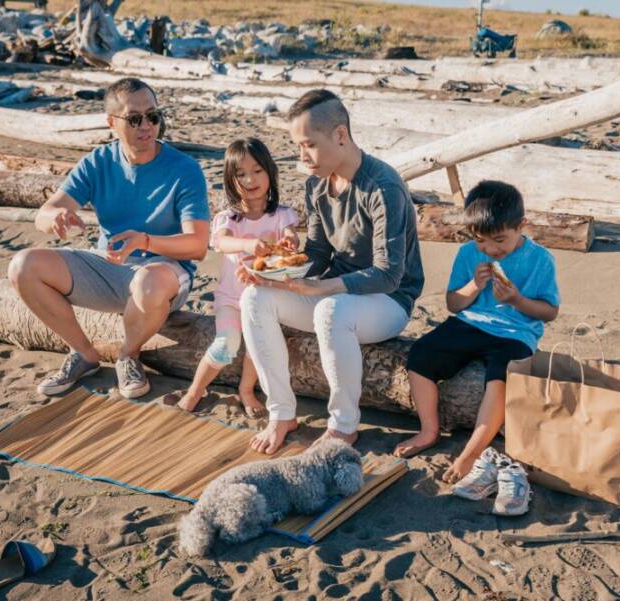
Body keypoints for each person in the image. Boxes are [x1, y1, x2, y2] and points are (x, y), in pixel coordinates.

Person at [238, 89, 424, 455]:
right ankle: (282, 413)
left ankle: (343, 425)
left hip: (389, 301)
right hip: (338, 297)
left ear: (340, 135)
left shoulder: (384, 187)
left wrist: (321, 288)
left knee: (329, 308)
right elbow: (319, 253)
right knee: (254, 297)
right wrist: (279, 274)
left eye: (309, 145)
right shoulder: (317, 185)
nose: (302, 156)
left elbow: (389, 274)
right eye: (297, 146)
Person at [8, 77, 210, 399]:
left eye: (153, 116)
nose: (146, 126)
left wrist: (144, 241)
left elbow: (197, 246)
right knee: (23, 266)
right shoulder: (98, 162)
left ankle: (128, 355)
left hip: (164, 274)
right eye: (134, 119)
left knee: (148, 283)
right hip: (109, 266)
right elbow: (44, 213)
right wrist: (54, 217)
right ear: (111, 123)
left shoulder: (185, 169)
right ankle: (83, 353)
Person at [396, 180, 560, 486]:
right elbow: (453, 305)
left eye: (499, 240)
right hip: (471, 322)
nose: (490, 249)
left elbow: (549, 312)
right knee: (420, 354)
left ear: (521, 226)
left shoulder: (540, 260)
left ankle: (472, 451)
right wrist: (474, 285)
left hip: (516, 333)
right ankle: (429, 429)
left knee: (500, 378)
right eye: (481, 240)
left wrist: (516, 300)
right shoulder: (469, 253)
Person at [174, 138, 299, 417]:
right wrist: (247, 245)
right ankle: (195, 391)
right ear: (231, 180)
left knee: (256, 347)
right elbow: (221, 242)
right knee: (226, 343)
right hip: (231, 299)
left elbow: (291, 235)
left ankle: (246, 390)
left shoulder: (281, 214)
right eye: (240, 174)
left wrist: (290, 240)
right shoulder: (229, 218)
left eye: (257, 170)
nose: (250, 179)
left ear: (270, 171)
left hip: (266, 300)